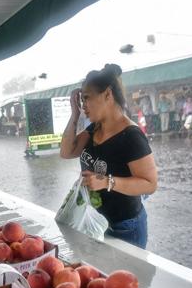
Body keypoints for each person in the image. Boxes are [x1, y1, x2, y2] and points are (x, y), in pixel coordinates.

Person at [60, 63, 158, 249]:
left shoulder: (131, 136)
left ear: (107, 94)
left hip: (125, 226)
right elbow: (66, 152)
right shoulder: (94, 129)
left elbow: (150, 184)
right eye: (81, 100)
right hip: (95, 220)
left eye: (87, 98)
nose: (84, 105)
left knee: (124, 277)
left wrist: (107, 182)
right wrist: (74, 115)